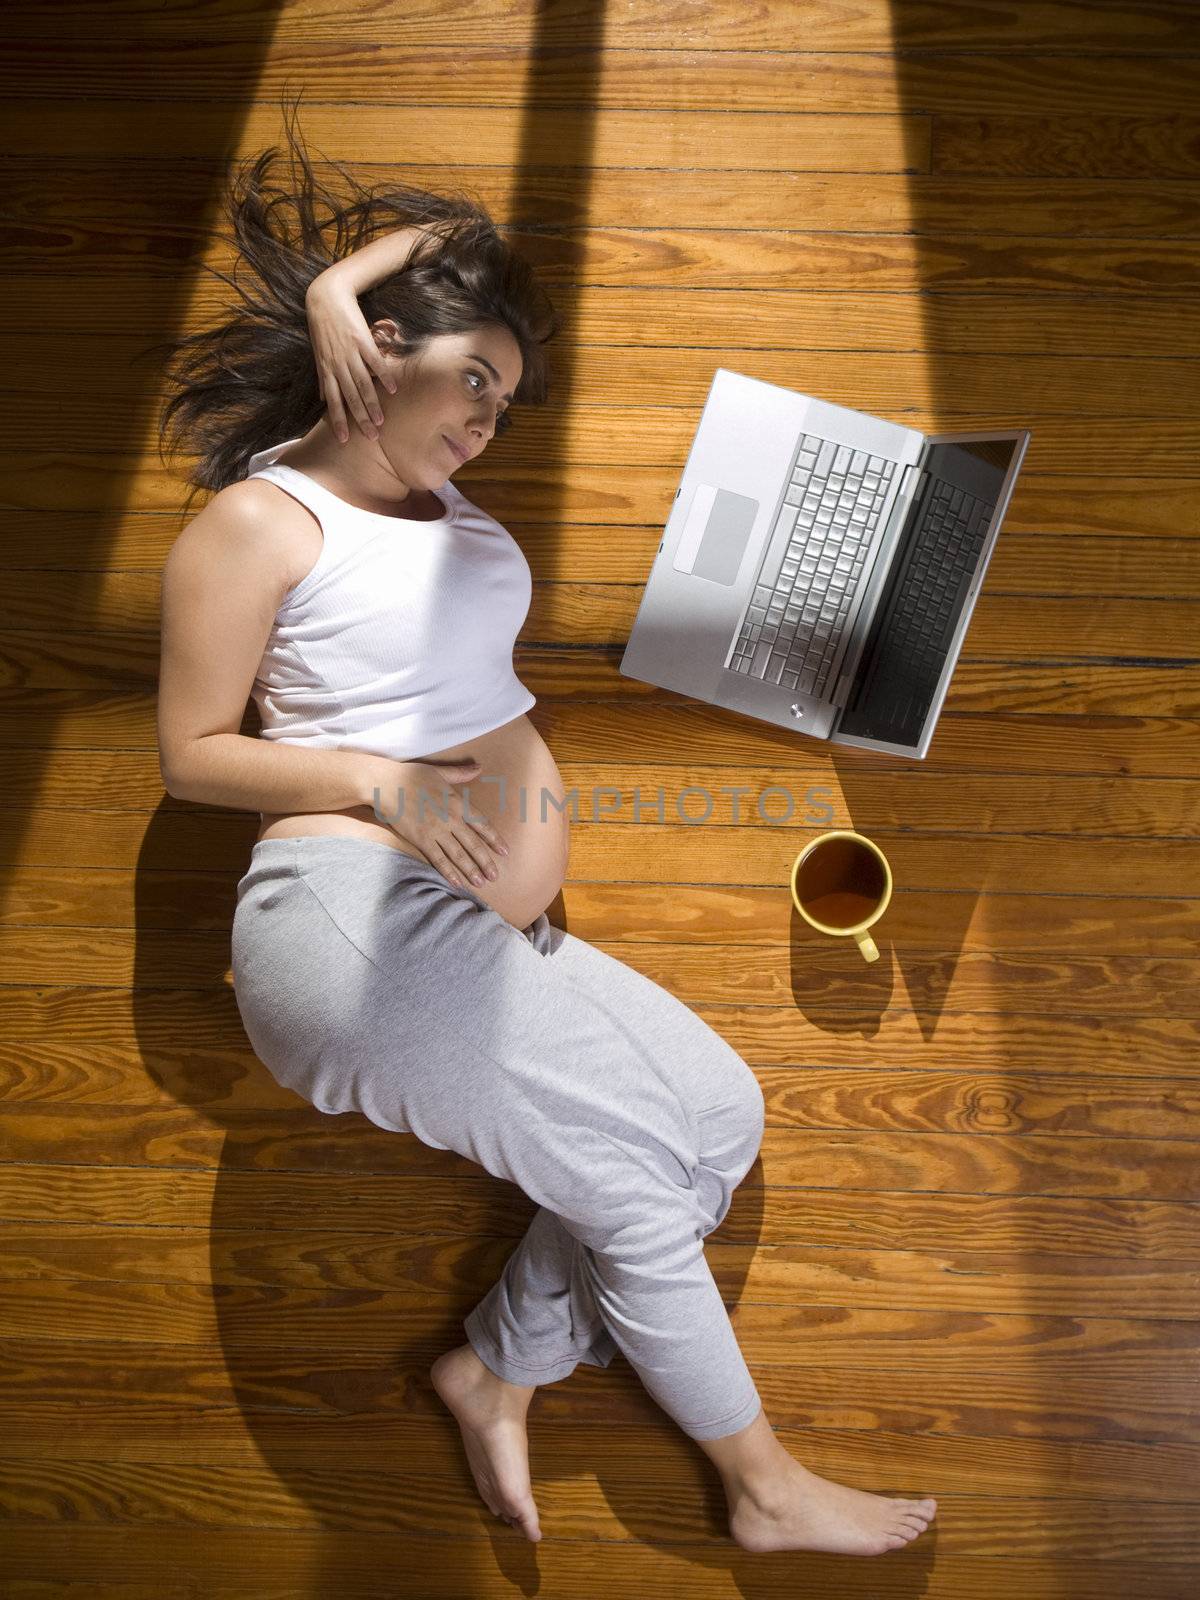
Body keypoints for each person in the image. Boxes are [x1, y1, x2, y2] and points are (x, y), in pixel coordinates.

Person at [154, 101, 936, 1556]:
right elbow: (194, 759)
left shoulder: (453, 518)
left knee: (719, 1121)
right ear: (374, 354)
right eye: (470, 379)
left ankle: (495, 1365)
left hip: (469, 922)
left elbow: (453, 253)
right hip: (351, 923)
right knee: (642, 1193)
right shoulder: (262, 525)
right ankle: (761, 1486)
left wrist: (354, 286)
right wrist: (382, 783)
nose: (485, 419)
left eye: (505, 400)